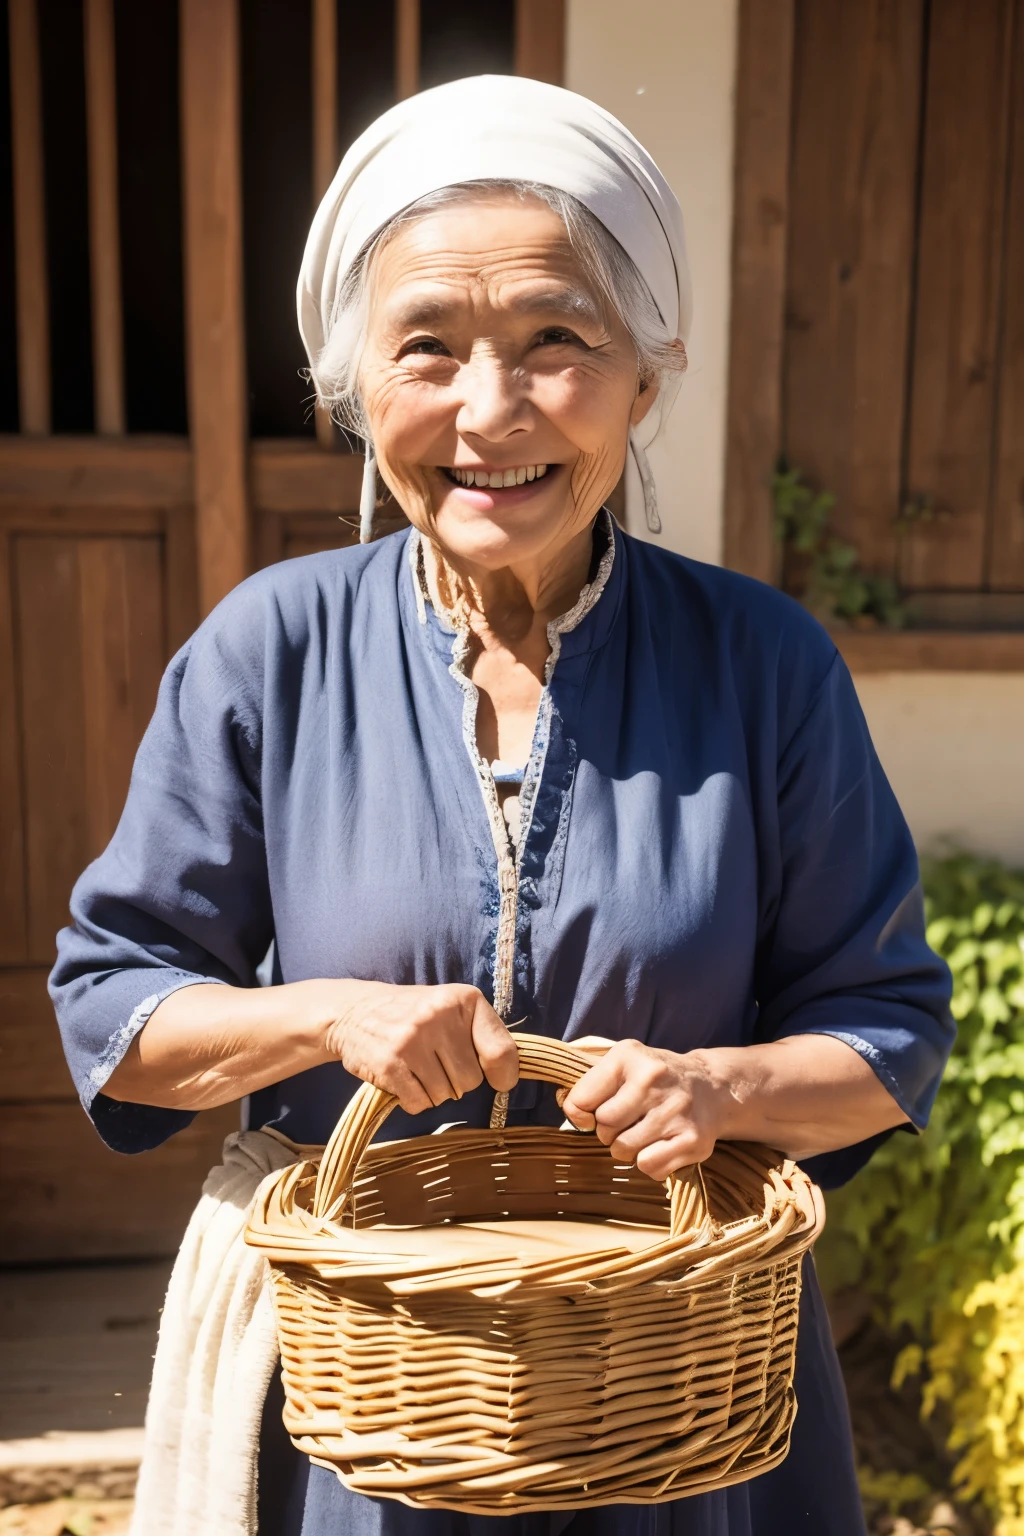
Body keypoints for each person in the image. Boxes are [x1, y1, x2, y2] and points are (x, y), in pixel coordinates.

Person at [50, 74, 953, 1536]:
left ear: (647, 377)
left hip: (682, 1390)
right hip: (362, 1403)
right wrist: (325, 1019)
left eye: (556, 342)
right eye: (428, 348)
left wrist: (720, 1091)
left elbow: (886, 1036)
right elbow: (116, 1015)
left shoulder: (763, 664)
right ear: (357, 393)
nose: (489, 411)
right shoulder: (269, 649)